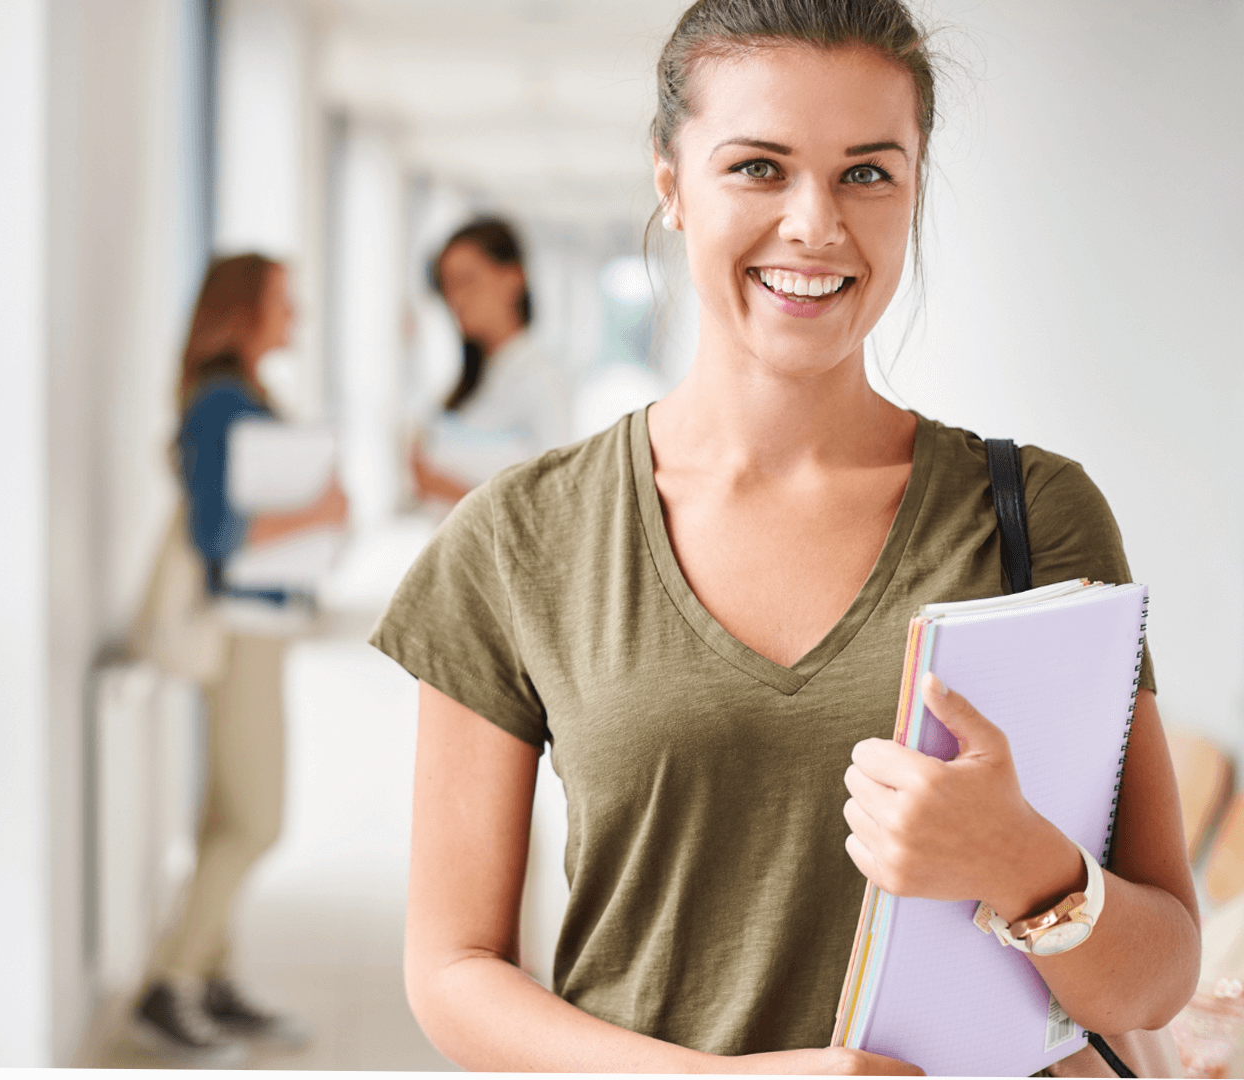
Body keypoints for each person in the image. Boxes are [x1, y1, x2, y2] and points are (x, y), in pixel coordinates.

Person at [370, 0, 1199, 1072]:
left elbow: (1158, 969)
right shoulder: (519, 539)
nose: (814, 223)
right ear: (670, 184)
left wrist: (1022, 862)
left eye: (866, 172)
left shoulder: (1034, 514)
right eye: (757, 168)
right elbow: (450, 971)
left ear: (912, 189)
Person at [133, 254, 348, 1059]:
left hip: (262, 624)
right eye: (284, 302)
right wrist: (316, 510)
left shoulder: (247, 396)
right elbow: (217, 535)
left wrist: (324, 518)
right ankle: (172, 982)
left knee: (228, 812)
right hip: (239, 629)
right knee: (257, 820)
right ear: (244, 311)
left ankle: (212, 981)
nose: (296, 315)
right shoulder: (224, 401)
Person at [410, 217, 569, 508]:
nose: (456, 298)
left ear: (513, 279)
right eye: (448, 286)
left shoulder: (541, 380)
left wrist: (442, 486)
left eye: (467, 281)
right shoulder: (469, 381)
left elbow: (551, 507)